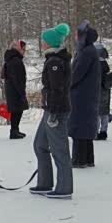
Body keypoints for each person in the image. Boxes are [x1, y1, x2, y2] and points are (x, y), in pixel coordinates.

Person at [31, 23, 73, 199]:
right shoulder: (52, 59)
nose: (42, 43)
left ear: (51, 43)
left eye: (44, 41)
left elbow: (58, 89)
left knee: (59, 149)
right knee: (40, 145)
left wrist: (54, 113)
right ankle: (44, 182)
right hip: (50, 109)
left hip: (56, 111)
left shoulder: (55, 62)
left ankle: (64, 188)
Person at [69, 20, 101, 169]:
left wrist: (66, 84)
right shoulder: (90, 50)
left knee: (79, 127)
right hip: (87, 96)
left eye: (77, 34)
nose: (75, 37)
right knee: (85, 127)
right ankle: (88, 158)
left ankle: (79, 159)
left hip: (81, 96)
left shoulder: (86, 52)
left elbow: (75, 74)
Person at [3, 40, 28, 139]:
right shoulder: (15, 60)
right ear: (18, 49)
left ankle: (15, 130)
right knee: (17, 110)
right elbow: (17, 78)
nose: (24, 51)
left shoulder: (12, 59)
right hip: (15, 89)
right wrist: (22, 92)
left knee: (17, 110)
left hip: (12, 89)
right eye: (23, 49)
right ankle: (14, 131)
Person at [95, 41, 112, 140]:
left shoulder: (95, 65)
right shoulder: (105, 63)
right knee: (104, 112)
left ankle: (94, 132)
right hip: (106, 91)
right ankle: (103, 132)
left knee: (96, 113)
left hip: (97, 91)